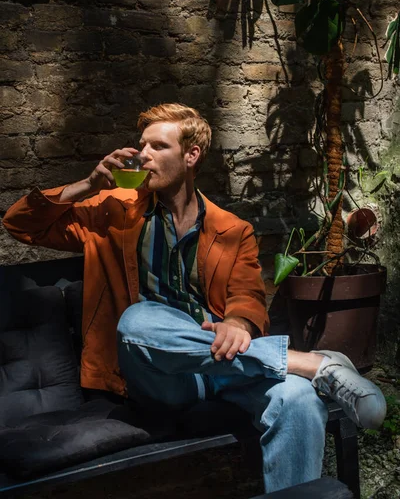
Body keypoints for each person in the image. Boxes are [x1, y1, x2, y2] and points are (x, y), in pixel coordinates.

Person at [3, 103, 386, 493]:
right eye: (142, 145)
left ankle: (301, 375)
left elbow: (247, 296)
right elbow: (19, 223)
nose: (143, 155)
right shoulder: (112, 211)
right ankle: (309, 362)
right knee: (137, 321)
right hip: (156, 375)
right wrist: (88, 184)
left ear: (191, 155)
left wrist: (237, 324)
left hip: (221, 365)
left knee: (300, 398)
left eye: (158, 146)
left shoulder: (233, 230)